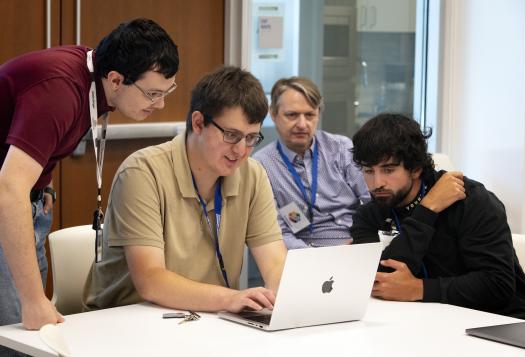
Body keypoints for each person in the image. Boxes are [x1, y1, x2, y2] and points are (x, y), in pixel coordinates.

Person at [0, 17, 179, 336]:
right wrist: (32, 299)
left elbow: (32, 139)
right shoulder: (60, 89)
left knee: (29, 333)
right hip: (8, 204)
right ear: (115, 79)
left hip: (25, 203)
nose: (160, 104)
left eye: (167, 91)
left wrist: (44, 190)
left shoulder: (92, 75)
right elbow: (9, 187)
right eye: (152, 94)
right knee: (18, 334)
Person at [82, 66, 287, 313]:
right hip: (129, 320)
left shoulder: (252, 175)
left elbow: (275, 263)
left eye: (252, 138)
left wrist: (283, 301)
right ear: (199, 123)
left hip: (205, 319)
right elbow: (151, 280)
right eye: (231, 135)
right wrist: (231, 299)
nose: (241, 150)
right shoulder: (142, 172)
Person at [350, 113, 525, 321]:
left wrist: (419, 289)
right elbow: (377, 280)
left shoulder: (470, 200)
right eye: (368, 170)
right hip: (427, 320)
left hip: (502, 321)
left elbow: (497, 285)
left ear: (416, 168)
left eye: (389, 169)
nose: (377, 183)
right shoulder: (368, 215)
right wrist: (427, 209)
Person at [254, 77, 370, 249]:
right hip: (302, 256)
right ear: (273, 114)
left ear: (318, 114)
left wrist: (362, 243)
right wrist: (314, 259)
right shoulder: (261, 165)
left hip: (354, 245)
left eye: (309, 115)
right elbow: (278, 232)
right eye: (292, 115)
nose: (302, 124)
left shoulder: (340, 148)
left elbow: (371, 201)